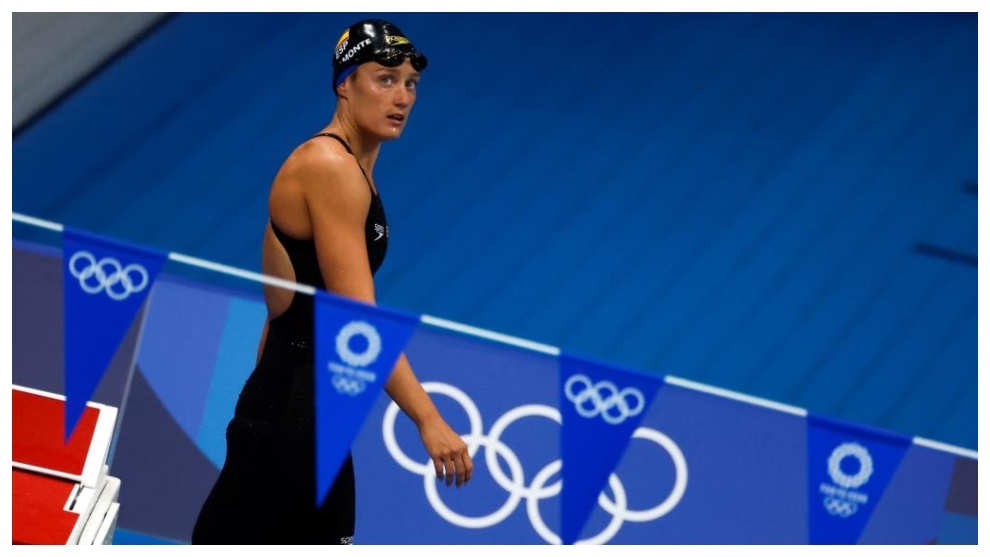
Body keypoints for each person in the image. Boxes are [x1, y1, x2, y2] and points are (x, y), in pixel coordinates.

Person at [191, 19, 473, 545]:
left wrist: (266, 399)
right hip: (294, 410)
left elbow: (286, 309)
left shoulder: (354, 169)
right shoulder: (328, 166)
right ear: (344, 83)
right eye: (384, 78)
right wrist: (429, 419)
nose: (402, 96)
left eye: (410, 83)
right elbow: (357, 317)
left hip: (306, 409)